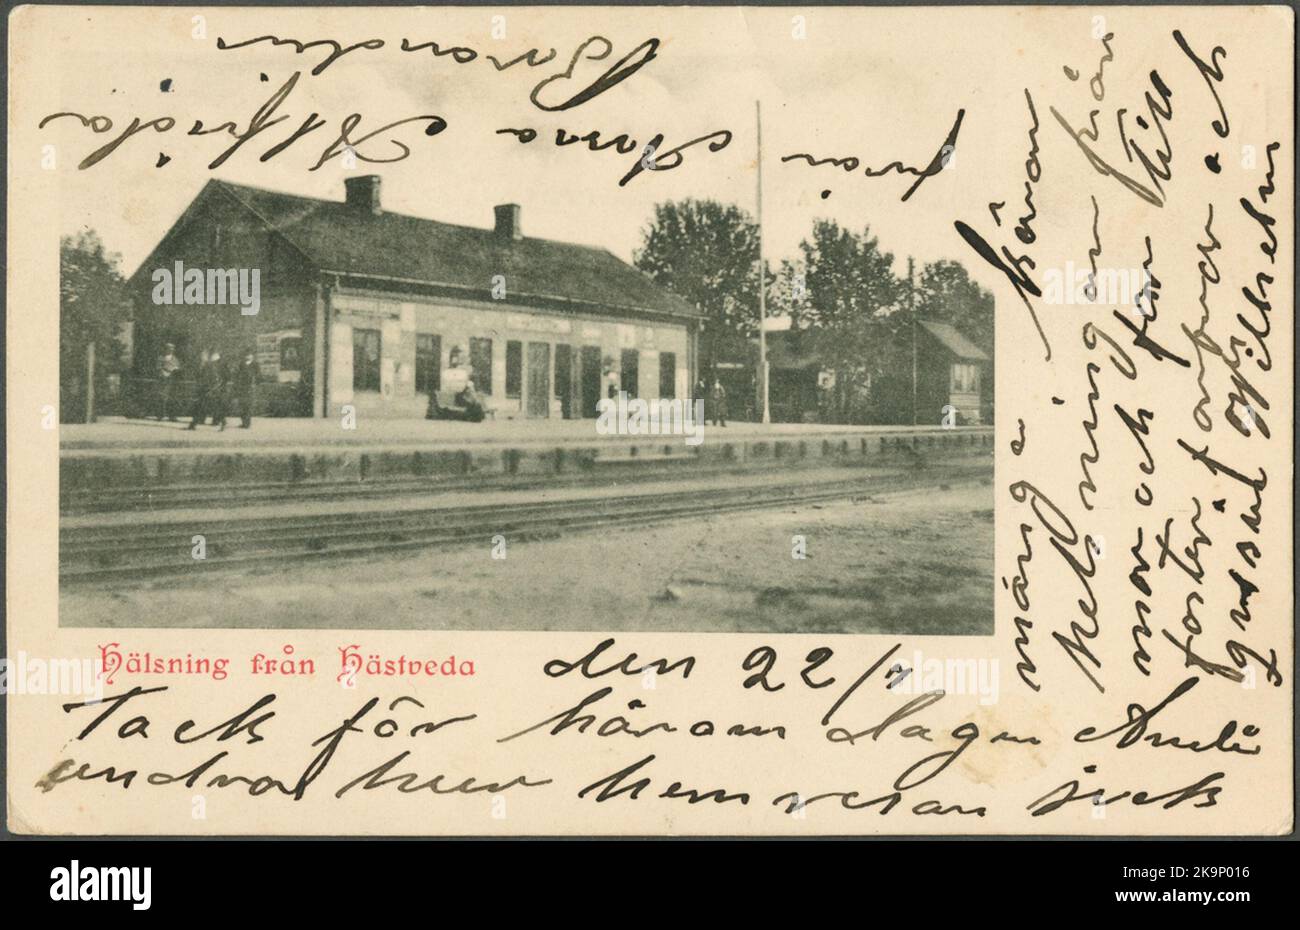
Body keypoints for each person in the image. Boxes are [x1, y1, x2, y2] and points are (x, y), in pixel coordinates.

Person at [155, 343, 181, 421]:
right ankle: (160, 415)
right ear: (165, 349)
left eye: (172, 348)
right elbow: (158, 367)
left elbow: (178, 367)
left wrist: (175, 370)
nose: (171, 350)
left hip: (172, 379)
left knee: (173, 398)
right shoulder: (161, 358)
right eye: (169, 348)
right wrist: (163, 373)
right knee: (162, 397)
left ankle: (172, 416)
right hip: (163, 379)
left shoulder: (175, 359)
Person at [234, 350, 259, 429]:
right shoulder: (241, 364)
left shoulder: (255, 364)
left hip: (250, 387)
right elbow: (237, 375)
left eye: (250, 355)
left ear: (252, 356)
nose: (248, 356)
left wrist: (255, 383)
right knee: (242, 405)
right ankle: (244, 422)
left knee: (248, 405)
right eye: (247, 355)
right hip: (242, 387)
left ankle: (247, 423)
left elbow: (258, 375)